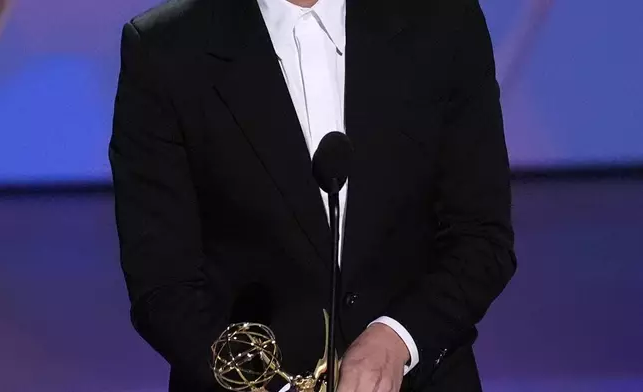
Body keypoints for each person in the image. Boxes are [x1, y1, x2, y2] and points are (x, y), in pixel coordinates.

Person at [109, 0, 516, 391]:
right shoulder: (166, 49)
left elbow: (481, 237)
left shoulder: (443, 20)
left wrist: (396, 338)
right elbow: (163, 285)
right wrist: (274, 387)